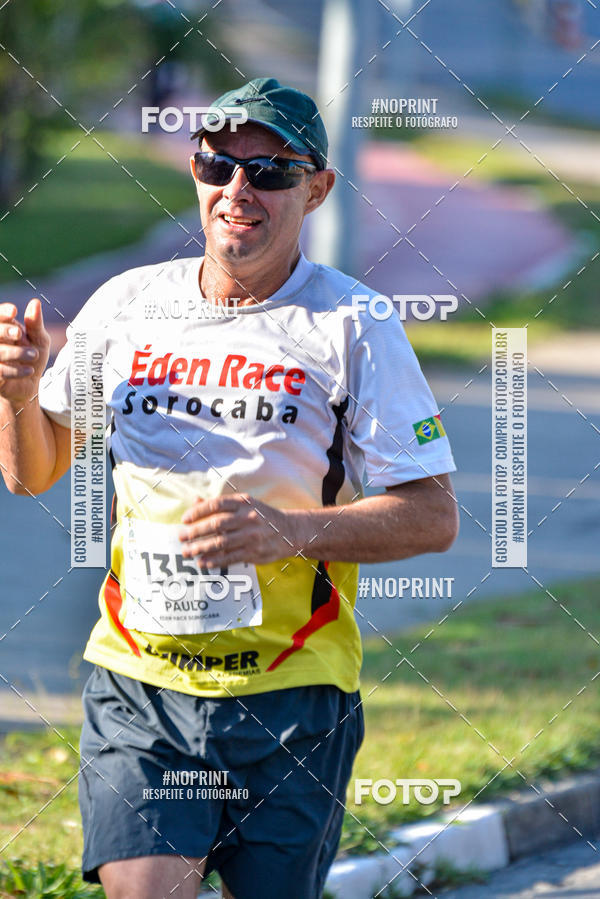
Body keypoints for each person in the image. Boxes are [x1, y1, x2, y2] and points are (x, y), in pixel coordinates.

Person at [0, 77, 459, 899]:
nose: (239, 191)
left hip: (292, 693)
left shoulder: (353, 325)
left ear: (317, 186)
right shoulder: (126, 307)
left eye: (271, 171)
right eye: (219, 165)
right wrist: (19, 398)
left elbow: (432, 517)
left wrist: (291, 533)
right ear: (195, 172)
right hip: (142, 684)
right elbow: (32, 472)